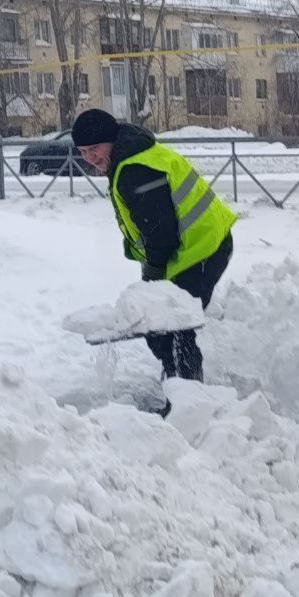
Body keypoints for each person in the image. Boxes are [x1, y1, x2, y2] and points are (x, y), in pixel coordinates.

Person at [72, 109, 236, 390]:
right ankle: (179, 384)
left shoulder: (134, 169)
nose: (90, 158)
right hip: (193, 248)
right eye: (83, 152)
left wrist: (151, 281)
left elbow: (161, 235)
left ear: (110, 140)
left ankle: (188, 395)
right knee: (163, 325)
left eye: (95, 148)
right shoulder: (130, 158)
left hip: (202, 249)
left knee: (172, 325)